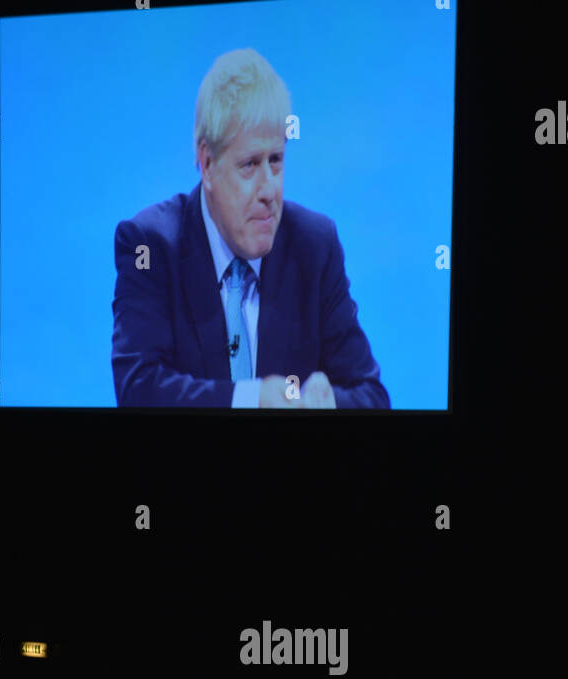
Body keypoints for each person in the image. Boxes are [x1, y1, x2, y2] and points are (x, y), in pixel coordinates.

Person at [111, 48, 389, 410]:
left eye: (276, 160)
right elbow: (139, 389)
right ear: (207, 164)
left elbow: (372, 396)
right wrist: (252, 399)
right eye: (250, 165)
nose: (269, 190)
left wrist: (328, 404)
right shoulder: (151, 246)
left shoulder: (314, 247)